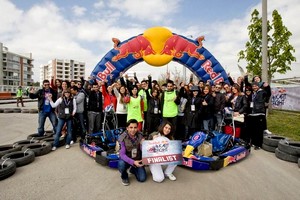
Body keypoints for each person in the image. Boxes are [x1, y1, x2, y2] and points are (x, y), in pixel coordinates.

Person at [118, 119, 147, 186]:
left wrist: (143, 144)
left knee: (142, 178)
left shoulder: (141, 135)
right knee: (121, 164)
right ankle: (124, 176)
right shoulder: (122, 137)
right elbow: (122, 154)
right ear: (127, 128)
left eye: (135, 127)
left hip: (137, 158)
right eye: (131, 127)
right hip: (127, 160)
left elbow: (143, 150)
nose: (133, 130)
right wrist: (133, 162)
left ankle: (133, 169)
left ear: (137, 128)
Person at [248, 82, 267, 150]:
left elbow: (267, 94)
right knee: (253, 129)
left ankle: (258, 144)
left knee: (258, 130)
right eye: (253, 86)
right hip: (252, 113)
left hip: (259, 113)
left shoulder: (262, 92)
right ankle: (253, 142)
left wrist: (267, 87)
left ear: (258, 86)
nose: (254, 87)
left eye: (255, 86)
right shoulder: (253, 93)